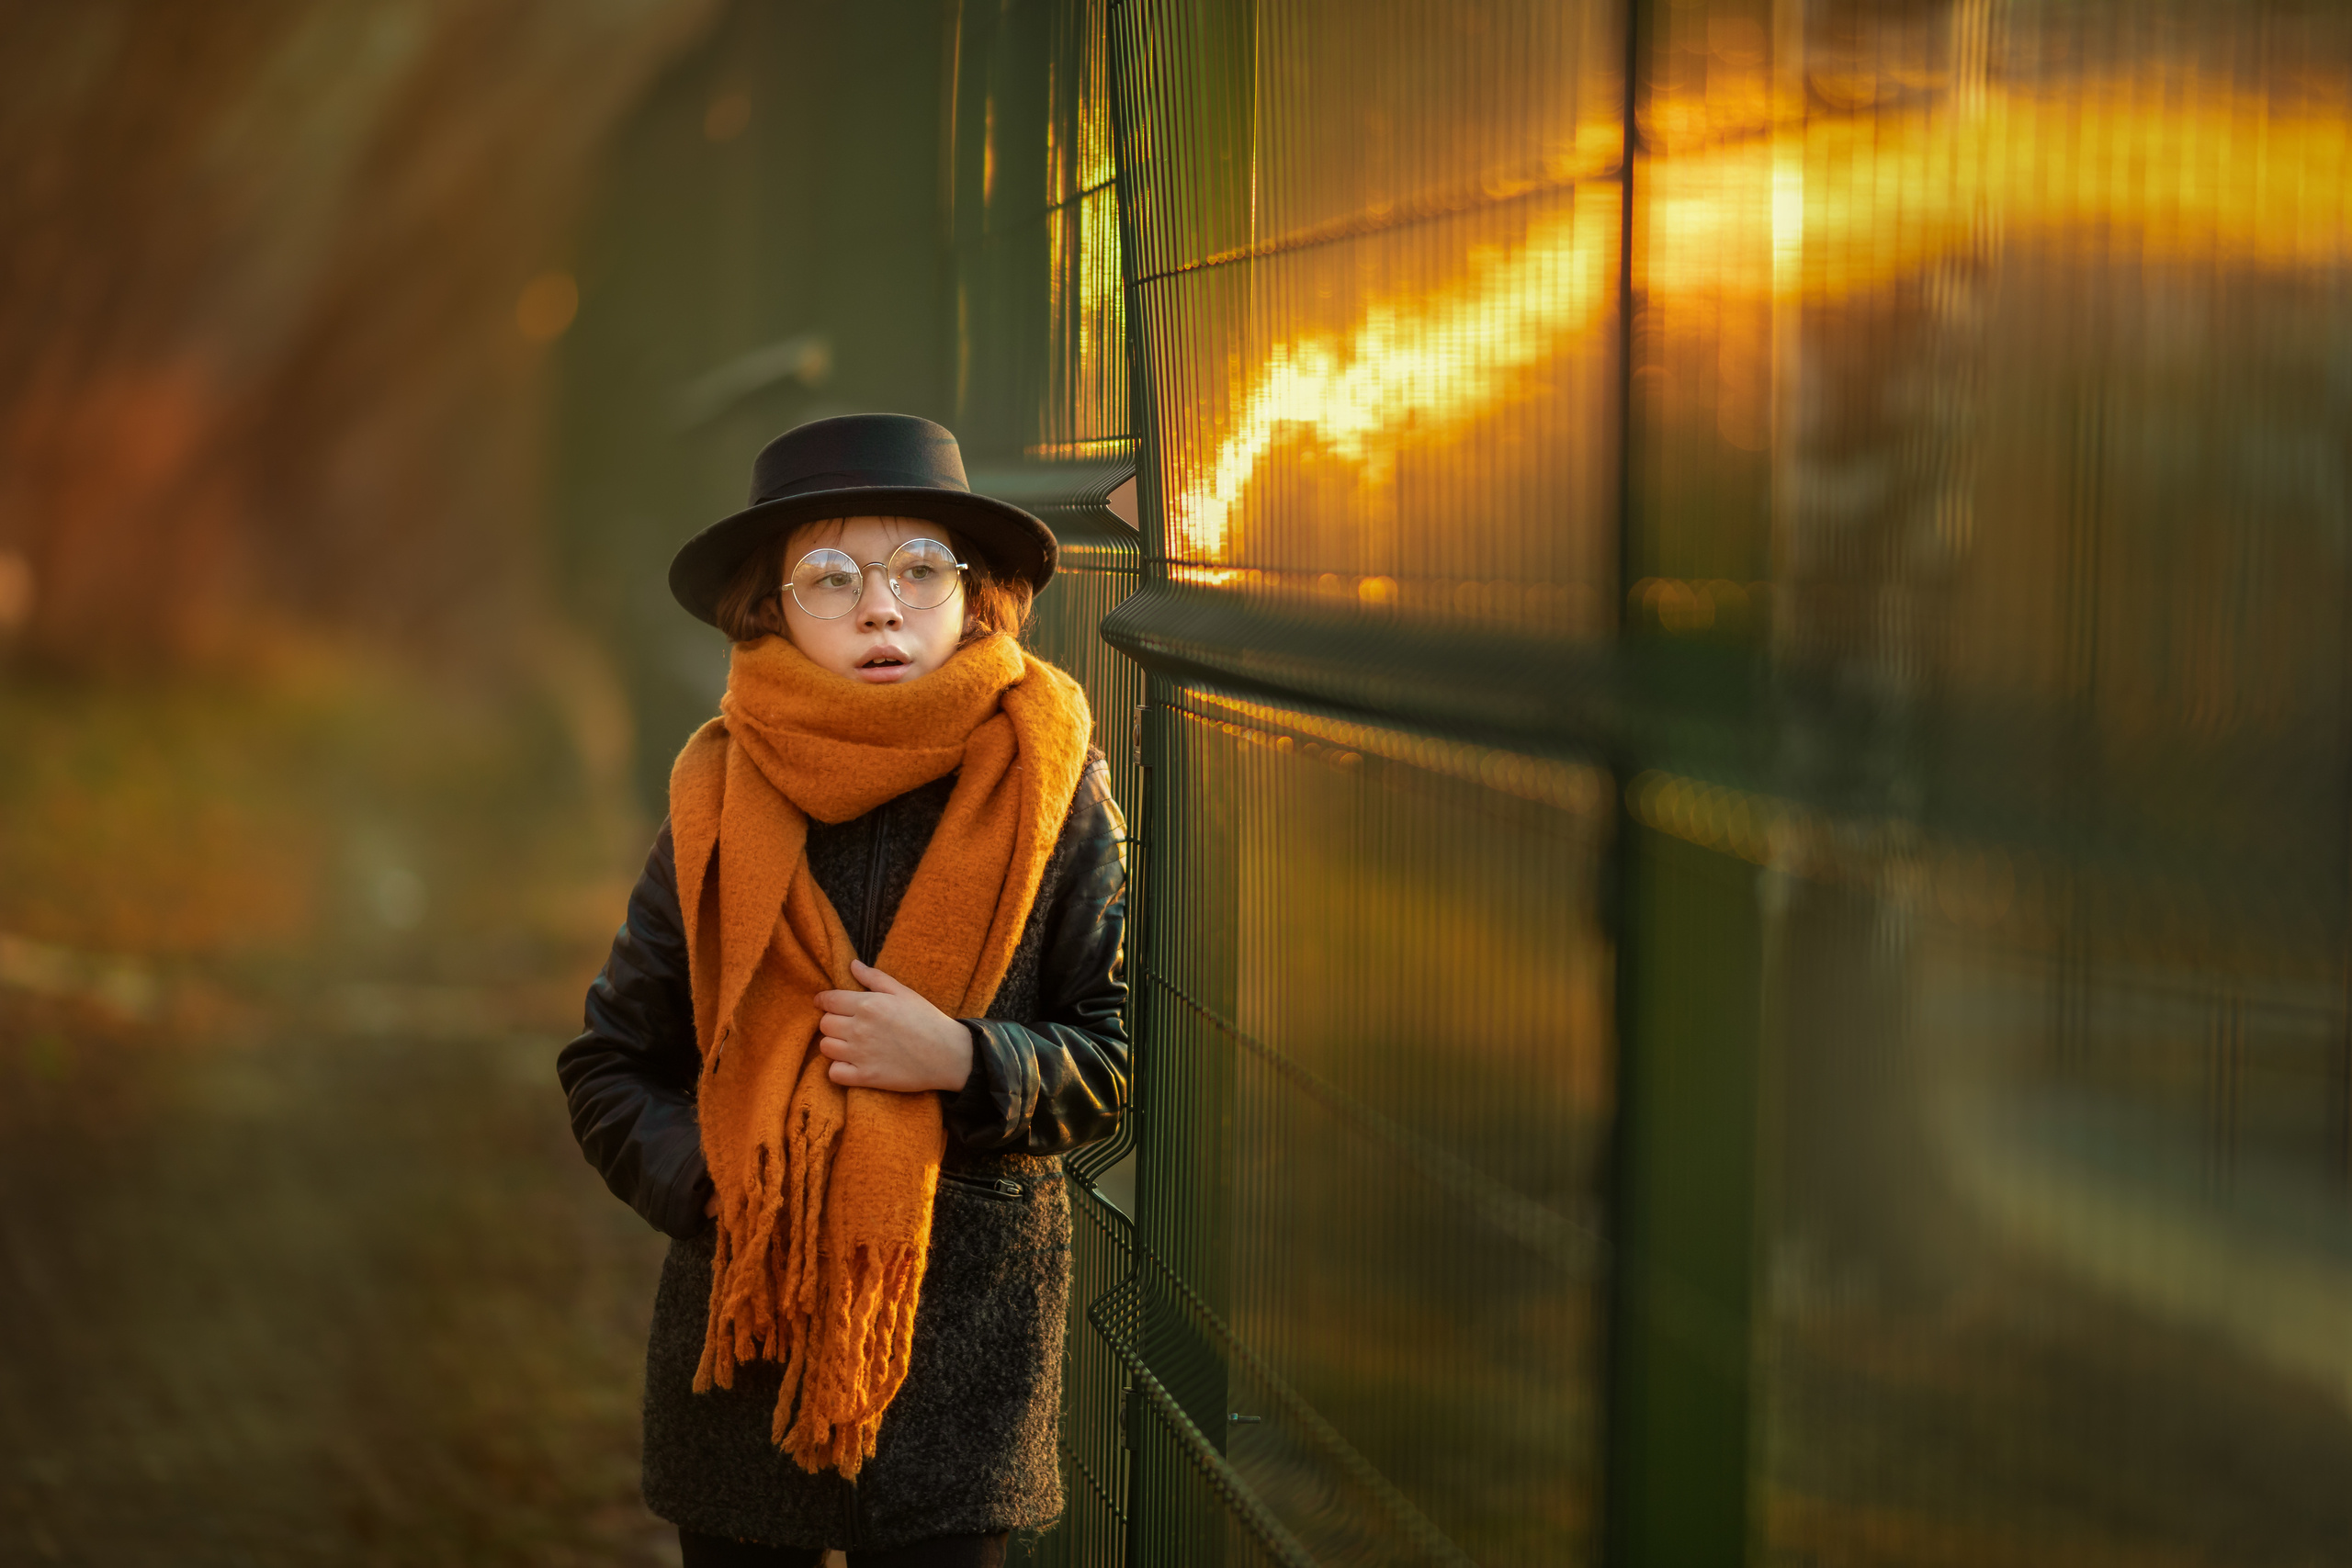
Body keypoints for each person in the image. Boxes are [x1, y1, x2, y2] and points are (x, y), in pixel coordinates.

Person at [558, 413, 1130, 1567]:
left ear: (978, 601)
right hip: (744, 1370)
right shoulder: (714, 797)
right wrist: (732, 1188)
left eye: (921, 571)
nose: (881, 607)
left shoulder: (1056, 794)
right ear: (769, 611)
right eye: (831, 577)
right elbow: (609, 1064)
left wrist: (966, 1060)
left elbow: (1118, 1058)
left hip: (963, 1366)